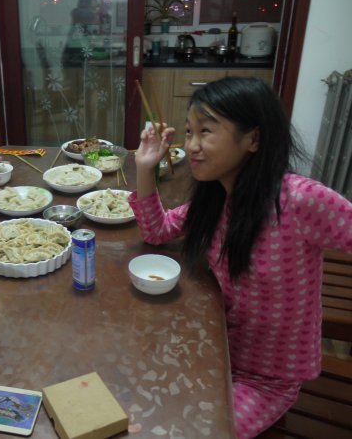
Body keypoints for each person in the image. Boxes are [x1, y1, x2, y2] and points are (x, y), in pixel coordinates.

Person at [128, 77, 352, 438]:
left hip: (268, 378)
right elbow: (157, 231)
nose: (192, 146)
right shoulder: (216, 197)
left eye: (206, 131)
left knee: (189, 431)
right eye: (188, 131)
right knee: (135, 396)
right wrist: (144, 167)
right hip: (214, 351)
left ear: (254, 139)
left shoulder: (299, 200)